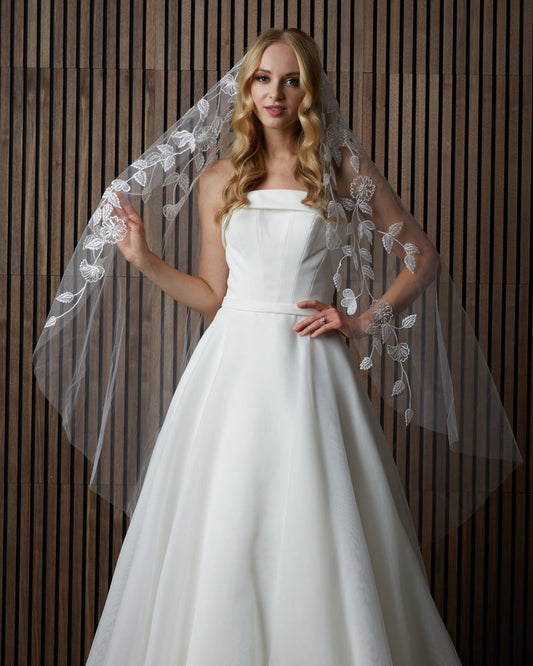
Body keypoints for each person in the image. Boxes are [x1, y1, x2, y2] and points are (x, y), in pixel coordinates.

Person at [33, 28, 520, 665]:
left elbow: (421, 258)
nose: (276, 93)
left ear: (309, 91)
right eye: (263, 79)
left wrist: (361, 320)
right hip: (231, 370)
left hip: (311, 366)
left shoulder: (341, 170)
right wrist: (144, 258)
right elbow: (213, 295)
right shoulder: (219, 179)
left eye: (291, 80)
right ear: (247, 89)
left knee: (321, 527)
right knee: (228, 526)